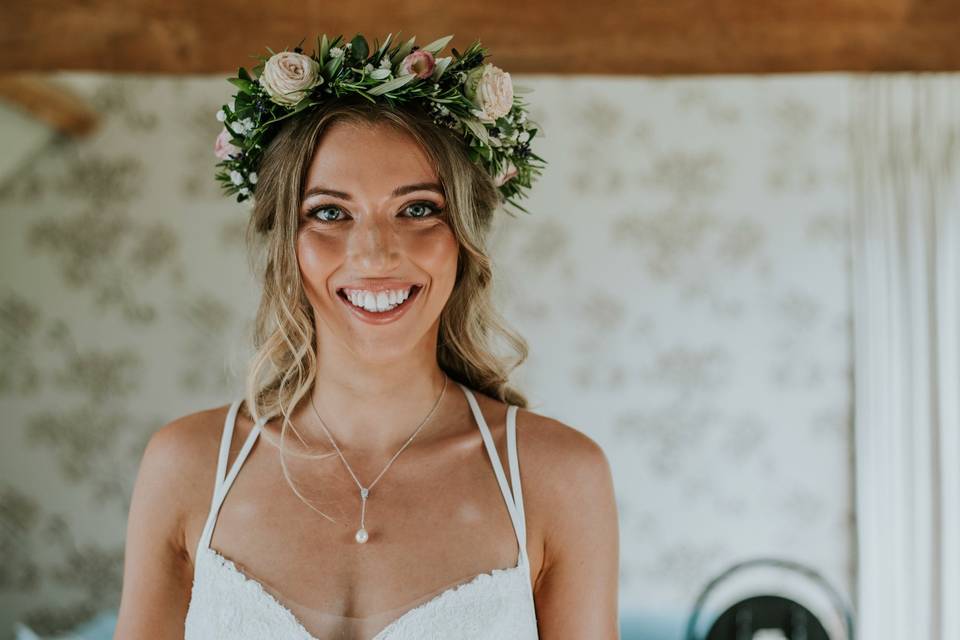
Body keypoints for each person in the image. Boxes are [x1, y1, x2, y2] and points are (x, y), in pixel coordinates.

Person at [114, 32, 619, 639]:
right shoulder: (186, 466)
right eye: (330, 212)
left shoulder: (560, 477)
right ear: (286, 246)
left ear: (462, 237)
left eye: (417, 209)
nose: (375, 253)